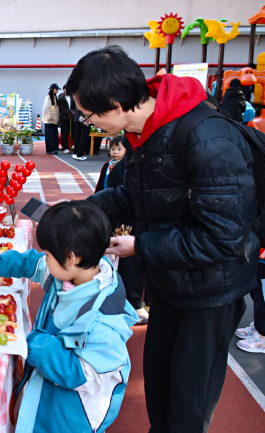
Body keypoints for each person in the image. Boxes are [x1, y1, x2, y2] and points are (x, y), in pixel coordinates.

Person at [66, 45, 258, 432]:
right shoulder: (147, 131)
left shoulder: (206, 138)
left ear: (115, 105)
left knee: (186, 410)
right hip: (171, 284)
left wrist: (141, 246)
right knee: (160, 394)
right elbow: (134, 195)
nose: (88, 124)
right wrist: (78, 213)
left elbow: (223, 238)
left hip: (210, 293)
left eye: (88, 115)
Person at [0, 200, 138, 432]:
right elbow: (36, 264)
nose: (45, 259)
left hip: (72, 414)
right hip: (49, 386)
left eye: (48, 254)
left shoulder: (102, 323)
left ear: (71, 258)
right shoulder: (75, 273)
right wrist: (1, 264)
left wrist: (38, 344)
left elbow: (84, 375)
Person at [94, 134, 148, 324]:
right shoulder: (112, 166)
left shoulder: (132, 164)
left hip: (134, 223)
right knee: (122, 262)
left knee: (133, 263)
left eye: (120, 148)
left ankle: (136, 302)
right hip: (120, 220)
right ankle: (129, 302)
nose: (115, 152)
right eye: (113, 148)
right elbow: (111, 193)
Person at [42, 83, 60, 154]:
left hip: (54, 119)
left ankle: (54, 148)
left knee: (54, 135)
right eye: (56, 89)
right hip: (49, 120)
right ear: (52, 89)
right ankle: (49, 149)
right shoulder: (48, 97)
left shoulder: (55, 97)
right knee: (49, 135)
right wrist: (43, 118)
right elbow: (44, 108)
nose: (57, 91)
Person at [57, 84, 74, 153]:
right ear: (64, 89)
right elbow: (61, 109)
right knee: (64, 133)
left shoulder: (73, 97)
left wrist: (73, 112)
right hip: (64, 118)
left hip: (72, 118)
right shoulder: (61, 98)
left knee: (74, 132)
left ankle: (74, 146)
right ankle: (65, 147)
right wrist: (69, 112)